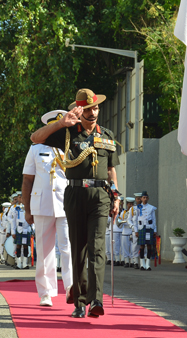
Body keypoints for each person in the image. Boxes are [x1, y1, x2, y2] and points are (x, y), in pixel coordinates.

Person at [31, 88, 121, 319]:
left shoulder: (107, 134)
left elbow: (111, 168)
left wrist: (117, 195)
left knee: (97, 248)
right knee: (78, 248)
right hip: (74, 194)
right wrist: (61, 123)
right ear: (79, 110)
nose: (93, 113)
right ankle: (80, 301)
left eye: (96, 108)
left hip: (100, 195)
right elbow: (36, 138)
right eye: (88, 109)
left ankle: (96, 300)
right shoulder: (69, 132)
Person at [21, 109, 73, 307]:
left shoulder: (71, 148)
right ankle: (46, 292)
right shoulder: (36, 149)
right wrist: (27, 209)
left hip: (66, 203)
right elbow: (27, 180)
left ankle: (71, 288)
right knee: (44, 250)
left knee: (68, 247)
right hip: (41, 204)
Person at [136, 191, 157, 271]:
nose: (145, 199)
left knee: (149, 246)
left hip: (149, 227)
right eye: (143, 197)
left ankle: (148, 264)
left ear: (148, 198)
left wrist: (155, 230)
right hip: (141, 228)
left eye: (146, 198)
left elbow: (154, 220)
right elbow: (135, 220)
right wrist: (136, 230)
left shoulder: (151, 208)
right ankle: (142, 264)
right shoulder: (137, 208)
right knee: (141, 245)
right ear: (141, 198)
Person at [120, 197, 136, 268]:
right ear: (127, 204)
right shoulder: (123, 212)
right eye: (129, 204)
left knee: (133, 248)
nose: (131, 205)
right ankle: (126, 261)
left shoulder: (135, 212)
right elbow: (119, 222)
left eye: (132, 204)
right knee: (125, 248)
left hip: (132, 231)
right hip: (125, 231)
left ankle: (132, 261)